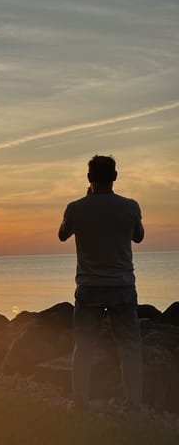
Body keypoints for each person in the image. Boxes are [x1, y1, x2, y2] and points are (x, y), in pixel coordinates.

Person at [58, 155, 144, 409]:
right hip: (122, 285)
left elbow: (62, 234)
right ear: (115, 177)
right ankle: (134, 404)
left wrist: (85, 203)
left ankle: (80, 402)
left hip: (89, 287)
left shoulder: (76, 208)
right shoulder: (130, 206)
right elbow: (138, 236)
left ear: (89, 178)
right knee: (129, 347)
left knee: (83, 347)